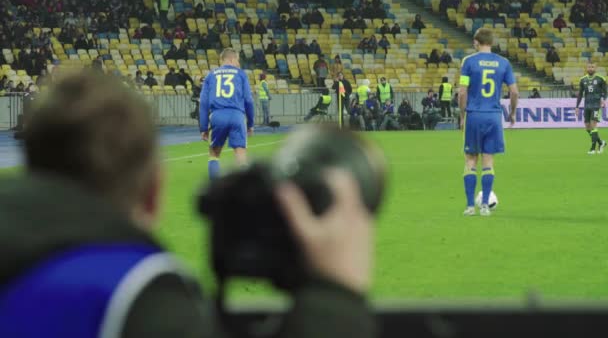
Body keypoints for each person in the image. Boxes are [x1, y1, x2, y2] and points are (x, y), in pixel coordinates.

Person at [0, 71, 376, 338]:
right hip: (235, 118)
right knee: (238, 152)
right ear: (152, 193)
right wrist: (334, 296)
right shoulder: (134, 294)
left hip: (215, 115)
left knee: (214, 150)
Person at [459, 28, 518, 216]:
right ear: (491, 42)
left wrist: (462, 115)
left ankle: (470, 207)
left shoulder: (468, 62)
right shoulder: (504, 63)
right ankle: (484, 206)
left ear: (476, 42)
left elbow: (462, 92)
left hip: (474, 114)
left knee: (470, 160)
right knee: (488, 161)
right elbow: (514, 92)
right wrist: (513, 113)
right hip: (493, 115)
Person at [199, 48, 255, 180]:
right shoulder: (241, 74)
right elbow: (248, 100)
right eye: (237, 60)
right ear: (231, 59)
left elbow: (203, 103)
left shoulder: (211, 76)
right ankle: (245, 192)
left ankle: (214, 191)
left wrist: (203, 127)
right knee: (241, 155)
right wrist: (250, 124)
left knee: (214, 154)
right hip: (237, 116)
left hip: (217, 116)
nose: (239, 64)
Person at [575, 62, 607, 154]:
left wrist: (603, 99)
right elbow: (580, 94)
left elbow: (605, 91)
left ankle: (593, 148)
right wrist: (577, 107)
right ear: (586, 68)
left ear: (595, 68)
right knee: (587, 127)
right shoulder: (582, 80)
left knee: (593, 124)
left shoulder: (601, 79)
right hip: (587, 105)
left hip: (596, 105)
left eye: (592, 67)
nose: (591, 68)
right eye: (589, 67)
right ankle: (601, 143)